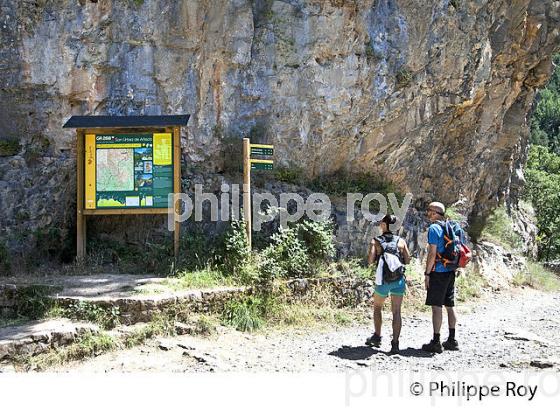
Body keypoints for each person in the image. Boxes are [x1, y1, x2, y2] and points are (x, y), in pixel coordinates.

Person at [365, 214, 411, 354]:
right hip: (398, 280)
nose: (380, 225)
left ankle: (377, 337)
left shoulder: (376, 241)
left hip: (383, 281)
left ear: (385, 225)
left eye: (381, 223)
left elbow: (370, 261)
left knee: (377, 307)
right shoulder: (401, 241)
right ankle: (395, 344)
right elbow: (407, 260)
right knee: (396, 311)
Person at [421, 202, 460, 353]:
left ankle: (436, 342)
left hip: (438, 272)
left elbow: (432, 254)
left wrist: (427, 274)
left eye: (429, 210)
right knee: (450, 305)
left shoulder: (434, 228)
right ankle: (452, 340)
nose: (427, 213)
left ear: (435, 212)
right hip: (450, 270)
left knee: (436, 307)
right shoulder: (451, 227)